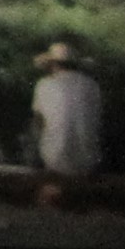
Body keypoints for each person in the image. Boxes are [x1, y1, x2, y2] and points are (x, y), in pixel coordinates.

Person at [29, 40, 108, 182]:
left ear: (53, 64)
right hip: (89, 160)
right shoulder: (92, 85)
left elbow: (38, 122)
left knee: (37, 132)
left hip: (55, 161)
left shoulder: (44, 84)